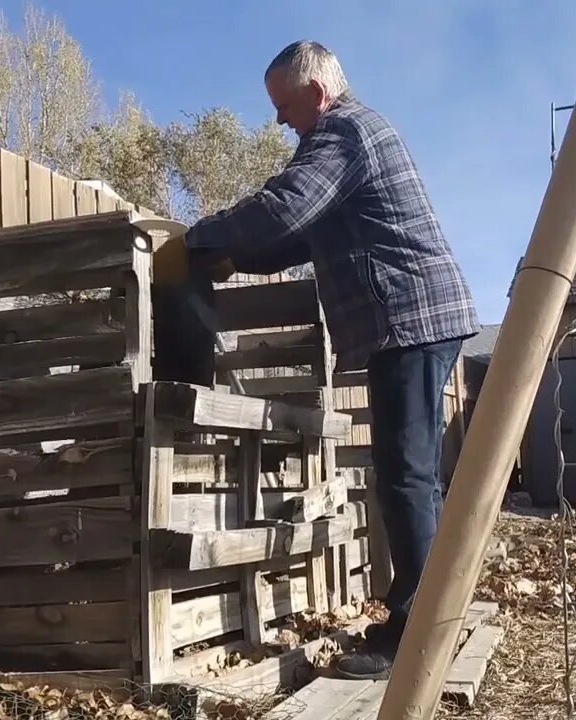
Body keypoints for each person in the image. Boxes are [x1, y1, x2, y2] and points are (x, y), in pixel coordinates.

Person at [153, 39, 480, 680]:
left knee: (405, 477)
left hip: (410, 320)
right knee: (410, 475)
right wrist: (228, 258)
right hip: (414, 319)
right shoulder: (349, 139)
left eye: (282, 105)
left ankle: (414, 636)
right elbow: (300, 236)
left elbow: (285, 206)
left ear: (317, 92)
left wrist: (196, 238)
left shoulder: (342, 132)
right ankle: (431, 612)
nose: (278, 121)